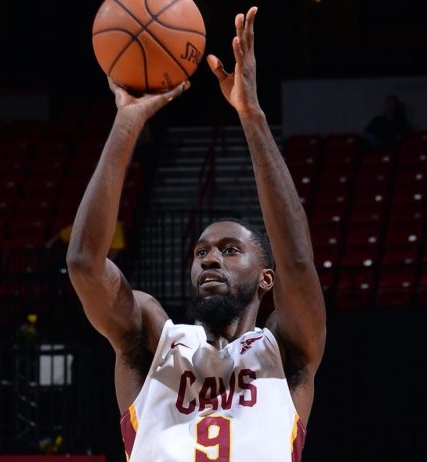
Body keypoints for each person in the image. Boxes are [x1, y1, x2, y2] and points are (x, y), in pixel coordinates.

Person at [66, 7, 326, 462]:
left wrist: (252, 116)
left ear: (266, 277)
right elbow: (84, 264)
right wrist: (127, 122)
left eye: (229, 250)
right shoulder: (153, 340)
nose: (209, 258)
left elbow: (298, 262)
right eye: (201, 251)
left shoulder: (286, 352)